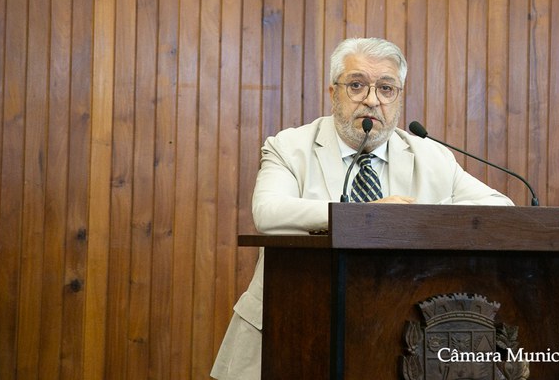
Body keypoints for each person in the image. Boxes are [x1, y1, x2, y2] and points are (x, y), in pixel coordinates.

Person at [210, 37, 514, 380]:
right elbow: (268, 212)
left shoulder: (431, 156)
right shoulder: (290, 147)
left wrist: (424, 218)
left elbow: (499, 207)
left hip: (391, 337)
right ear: (333, 92)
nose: (372, 100)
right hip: (289, 327)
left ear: (398, 97)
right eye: (357, 85)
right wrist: (366, 217)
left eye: (386, 88)